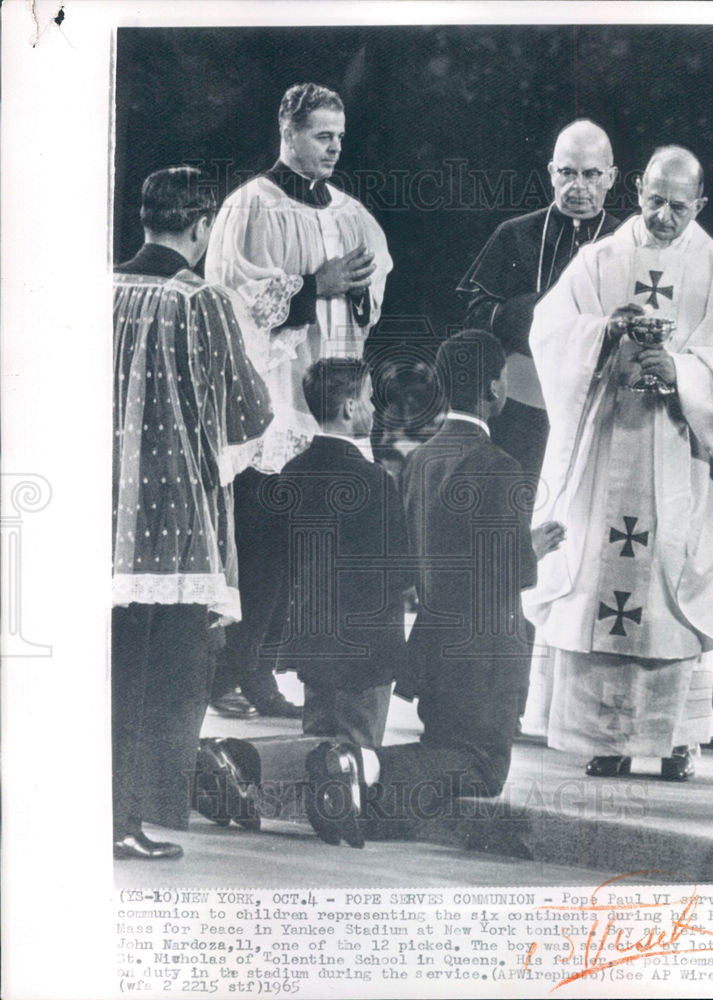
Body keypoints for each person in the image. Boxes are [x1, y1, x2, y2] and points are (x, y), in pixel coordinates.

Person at [526, 146, 713, 781]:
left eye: (678, 207)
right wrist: (603, 332)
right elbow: (548, 330)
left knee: (668, 590)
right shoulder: (599, 260)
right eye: (654, 200)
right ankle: (608, 739)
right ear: (637, 189)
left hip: (679, 454)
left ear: (700, 205)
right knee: (600, 575)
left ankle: (678, 740)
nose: (662, 216)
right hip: (608, 448)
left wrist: (681, 369)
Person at [302, 331, 565, 848]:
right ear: (494, 389)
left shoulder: (420, 460)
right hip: (485, 649)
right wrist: (529, 546)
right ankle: (363, 763)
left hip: (433, 640)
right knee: (481, 767)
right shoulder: (501, 466)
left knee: (442, 747)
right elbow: (507, 573)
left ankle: (357, 794)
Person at [205, 82, 392, 717]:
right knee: (260, 540)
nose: (335, 147)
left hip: (325, 398)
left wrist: (358, 290)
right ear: (287, 131)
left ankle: (265, 673)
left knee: (302, 548)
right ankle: (229, 675)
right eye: (322, 135)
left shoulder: (349, 211)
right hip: (272, 401)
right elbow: (230, 302)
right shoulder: (248, 206)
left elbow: (372, 292)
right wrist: (316, 286)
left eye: (340, 136)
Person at [112, 166, 271, 859]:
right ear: (203, 228)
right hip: (170, 525)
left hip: (98, 514)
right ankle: (125, 820)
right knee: (160, 681)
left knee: (106, 669)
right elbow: (249, 410)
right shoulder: (199, 299)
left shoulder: (98, 288)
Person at [194, 358, 411, 830]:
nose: (375, 409)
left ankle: (256, 771)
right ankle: (335, 814)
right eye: (371, 398)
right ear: (351, 407)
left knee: (315, 741)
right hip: (367, 642)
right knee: (356, 746)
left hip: (310, 637)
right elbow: (401, 570)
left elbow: (278, 560)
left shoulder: (291, 472)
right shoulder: (376, 480)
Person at [457, 120, 620, 486]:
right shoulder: (514, 234)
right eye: (567, 173)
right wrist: (539, 312)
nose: (578, 186)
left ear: (611, 177)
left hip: (596, 403)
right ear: (551, 173)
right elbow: (474, 316)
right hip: (521, 406)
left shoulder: (624, 242)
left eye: (591, 174)